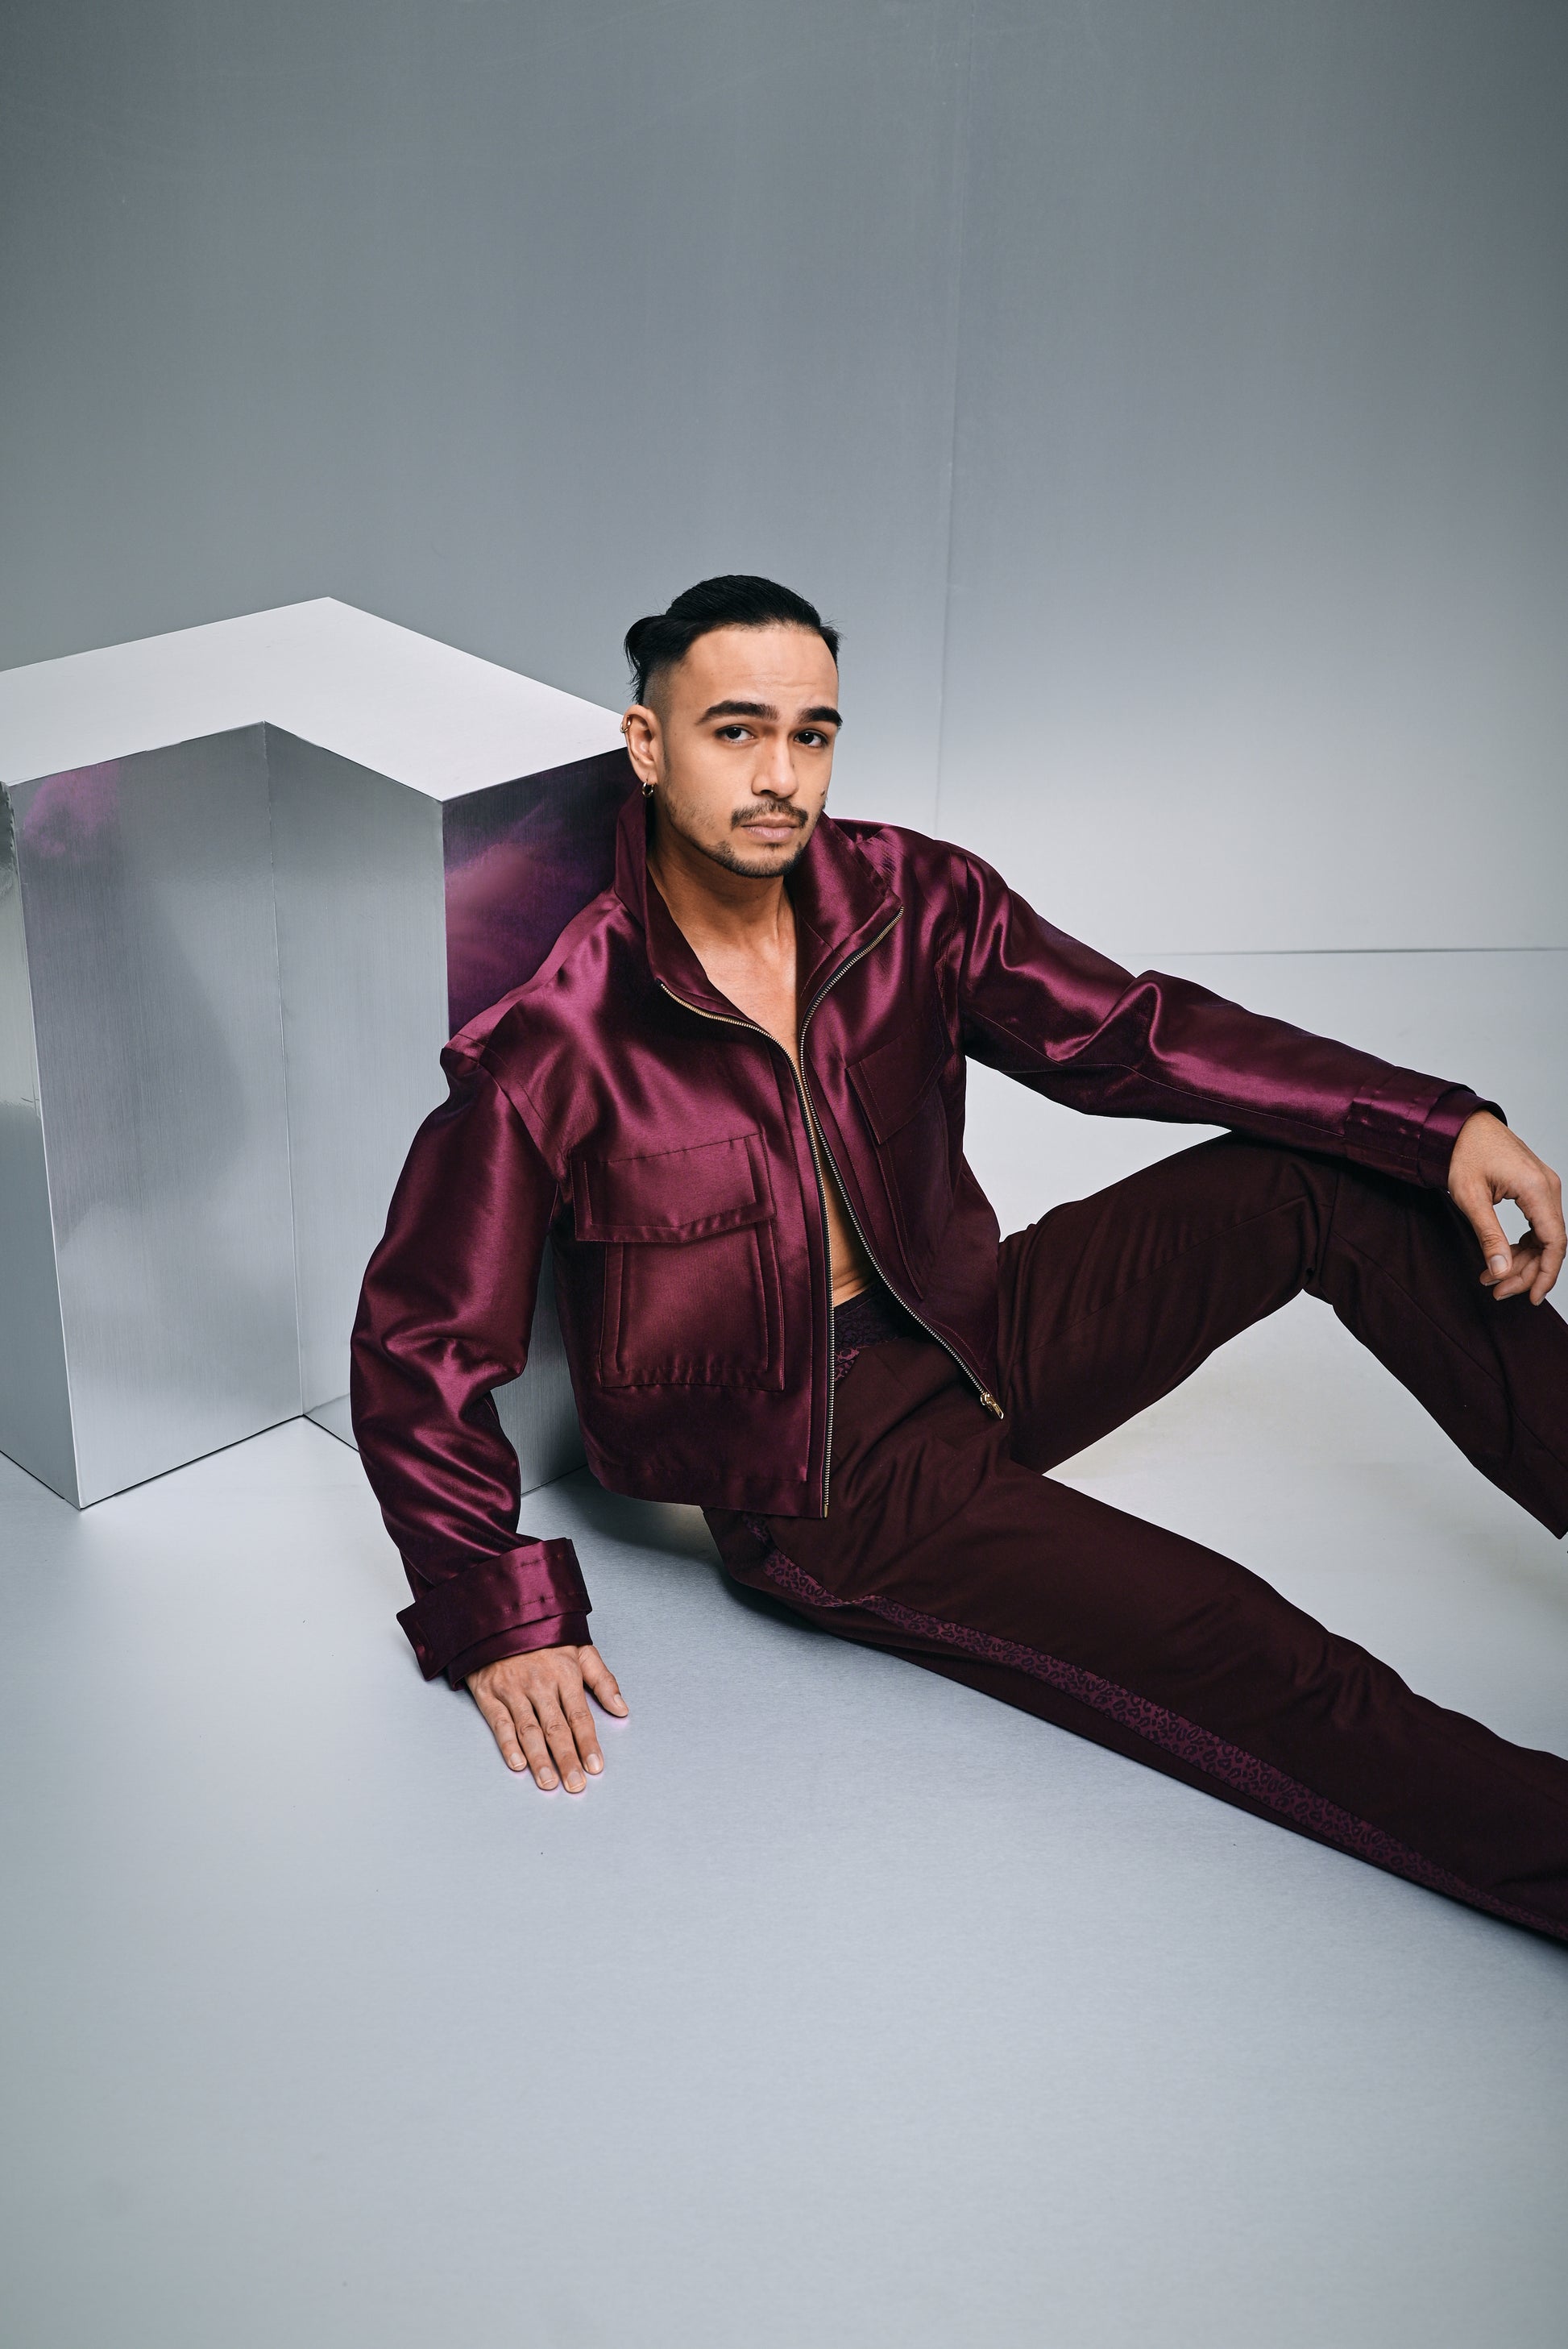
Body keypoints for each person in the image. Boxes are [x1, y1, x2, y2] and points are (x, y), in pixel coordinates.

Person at [351, 575, 1568, 1939]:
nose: (779, 775)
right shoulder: (556, 1037)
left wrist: (1432, 1122)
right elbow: (420, 1339)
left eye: (810, 734)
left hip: (973, 1333)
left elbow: (1139, 1035)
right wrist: (498, 1610)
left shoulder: (911, 898)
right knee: (1251, 1648)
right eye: (735, 731)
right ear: (648, 744)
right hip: (826, 1473)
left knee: (1328, 1180)